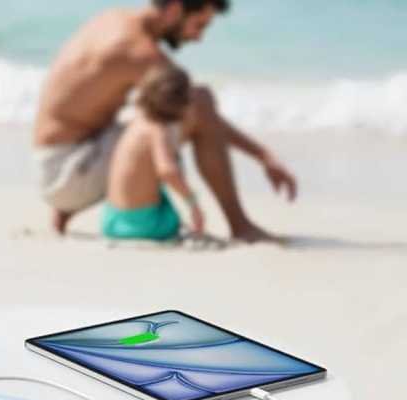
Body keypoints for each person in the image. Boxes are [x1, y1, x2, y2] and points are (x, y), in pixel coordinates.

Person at [34, 0, 298, 241]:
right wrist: (263, 155)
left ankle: (65, 210)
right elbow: (201, 113)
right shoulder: (138, 51)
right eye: (199, 25)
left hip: (55, 165)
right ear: (174, 9)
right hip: (69, 175)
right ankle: (240, 226)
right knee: (198, 102)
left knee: (149, 113)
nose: (199, 37)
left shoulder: (114, 19)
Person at [104, 65, 203, 241]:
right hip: (142, 225)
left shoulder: (137, 122)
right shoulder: (157, 130)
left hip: (111, 220)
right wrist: (192, 202)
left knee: (157, 192)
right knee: (172, 217)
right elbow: (167, 170)